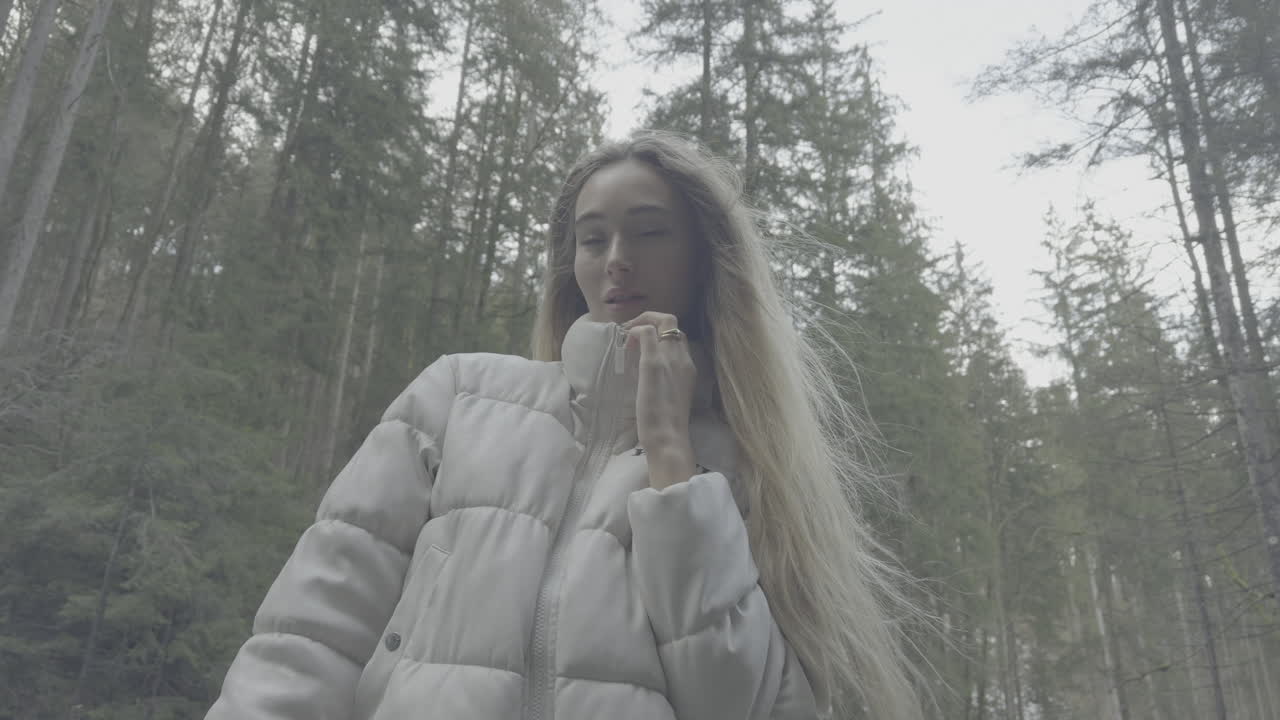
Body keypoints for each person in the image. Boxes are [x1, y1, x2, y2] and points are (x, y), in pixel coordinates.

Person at [205, 131, 923, 720]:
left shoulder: (751, 465)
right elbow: (313, 632)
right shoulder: (459, 398)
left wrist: (674, 458)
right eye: (592, 239)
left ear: (708, 259)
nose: (617, 261)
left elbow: (743, 704)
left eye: (648, 233)